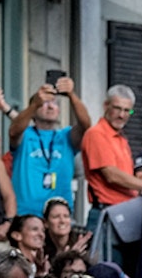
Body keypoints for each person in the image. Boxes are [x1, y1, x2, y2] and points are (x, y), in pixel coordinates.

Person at [80, 85, 142, 231]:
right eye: (117, 108)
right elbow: (112, 176)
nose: (122, 115)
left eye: (127, 110)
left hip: (125, 213)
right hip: (106, 214)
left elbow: (135, 186)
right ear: (106, 106)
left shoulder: (121, 139)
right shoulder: (96, 134)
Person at [9, 76, 92, 216]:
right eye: (45, 103)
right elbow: (14, 131)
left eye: (54, 103)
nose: (50, 106)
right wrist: (34, 104)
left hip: (60, 214)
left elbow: (85, 125)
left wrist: (71, 95)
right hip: (27, 214)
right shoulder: (26, 134)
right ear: (33, 111)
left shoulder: (66, 135)